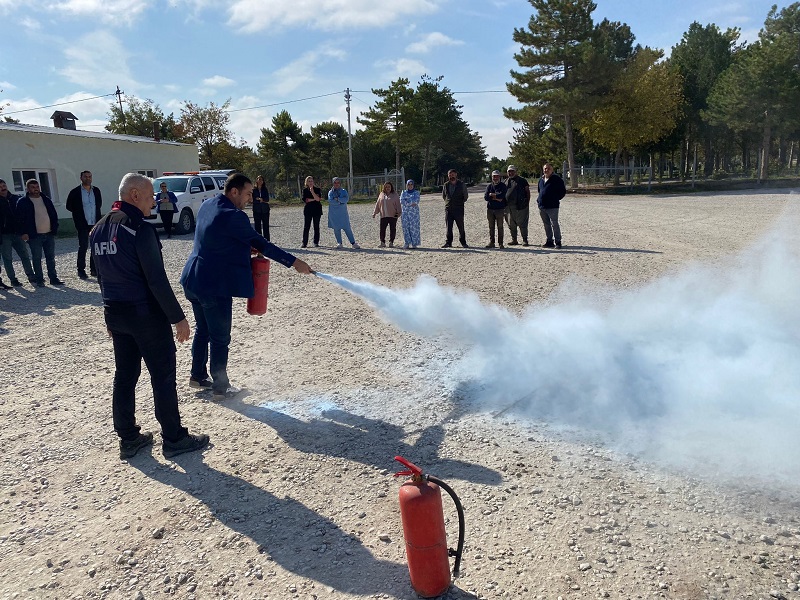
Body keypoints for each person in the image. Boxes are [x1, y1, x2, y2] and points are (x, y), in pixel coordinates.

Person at [90, 173, 208, 459]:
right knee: (162, 376)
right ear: (133, 195)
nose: (154, 199)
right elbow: (156, 279)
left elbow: (99, 275)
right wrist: (177, 317)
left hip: (116, 313)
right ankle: (174, 438)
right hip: (145, 315)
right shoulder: (138, 228)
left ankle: (128, 438)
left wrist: (109, 316)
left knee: (125, 375)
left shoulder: (98, 229)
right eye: (149, 194)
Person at [181, 173, 313, 400]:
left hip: (192, 279)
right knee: (221, 337)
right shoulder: (235, 215)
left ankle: (198, 376)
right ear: (234, 192)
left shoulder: (209, 204)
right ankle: (221, 388)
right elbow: (262, 243)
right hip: (214, 285)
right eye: (248, 193)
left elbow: (215, 237)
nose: (250, 198)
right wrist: (294, 262)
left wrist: (242, 248)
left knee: (204, 330)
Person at [17, 179, 64, 287]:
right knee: (37, 258)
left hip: (48, 233)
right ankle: (39, 279)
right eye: (33, 187)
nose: (36, 189)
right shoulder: (23, 202)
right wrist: (23, 233)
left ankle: (53, 278)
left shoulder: (46, 199)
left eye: (37, 187)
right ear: (28, 189)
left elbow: (53, 215)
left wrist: (54, 228)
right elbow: (19, 220)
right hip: (34, 236)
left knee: (50, 258)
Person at [66, 170, 102, 278]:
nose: (88, 178)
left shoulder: (96, 191)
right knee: (83, 247)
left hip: (95, 223)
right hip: (82, 224)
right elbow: (69, 206)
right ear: (81, 178)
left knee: (94, 247)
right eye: (85, 176)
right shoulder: (75, 192)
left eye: (90, 176)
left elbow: (98, 204)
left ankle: (94, 269)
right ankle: (81, 270)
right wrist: (78, 215)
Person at [0, 178, 35, 286]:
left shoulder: (15, 198)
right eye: (0, 187)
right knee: (7, 258)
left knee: (24, 255)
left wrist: (24, 230)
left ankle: (31, 276)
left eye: (4, 185)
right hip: (4, 235)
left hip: (18, 233)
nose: (3, 188)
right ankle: (13, 279)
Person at [537, 162, 567, 248]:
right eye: (545, 169)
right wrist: (539, 201)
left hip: (553, 206)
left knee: (555, 224)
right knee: (546, 224)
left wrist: (555, 199)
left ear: (552, 170)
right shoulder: (541, 180)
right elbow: (540, 191)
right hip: (542, 206)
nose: (546, 170)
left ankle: (558, 241)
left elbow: (562, 192)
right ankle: (549, 241)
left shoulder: (557, 179)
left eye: (548, 168)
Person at [326, 177, 360, 249]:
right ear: (333, 183)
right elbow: (331, 201)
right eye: (335, 183)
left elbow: (346, 199)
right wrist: (340, 202)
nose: (337, 184)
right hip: (334, 214)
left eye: (338, 182)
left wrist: (338, 199)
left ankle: (353, 243)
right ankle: (339, 243)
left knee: (347, 228)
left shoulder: (344, 191)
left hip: (343, 214)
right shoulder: (330, 192)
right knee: (336, 229)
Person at [441, 168, 469, 248]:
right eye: (450, 174)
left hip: (459, 209)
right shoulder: (446, 185)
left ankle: (463, 242)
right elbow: (444, 196)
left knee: (461, 226)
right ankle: (448, 242)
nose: (451, 176)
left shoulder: (462, 184)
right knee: (449, 227)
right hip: (448, 209)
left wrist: (459, 202)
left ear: (456, 175)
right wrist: (448, 202)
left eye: (453, 174)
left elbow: (465, 196)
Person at [504, 165, 530, 246]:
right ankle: (514, 240)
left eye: (512, 171)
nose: (511, 173)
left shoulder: (522, 180)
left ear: (516, 171)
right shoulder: (505, 182)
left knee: (523, 224)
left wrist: (526, 203)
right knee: (511, 224)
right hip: (508, 207)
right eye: (509, 171)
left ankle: (525, 240)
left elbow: (527, 192)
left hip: (521, 206)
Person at [372, 181, 401, 248]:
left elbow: (398, 205)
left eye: (389, 187)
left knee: (392, 229)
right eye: (386, 187)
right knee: (382, 229)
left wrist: (399, 213)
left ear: (391, 187)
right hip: (383, 215)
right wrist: (374, 213)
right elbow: (378, 204)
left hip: (393, 215)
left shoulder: (395, 195)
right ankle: (382, 242)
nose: (387, 188)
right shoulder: (381, 194)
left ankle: (391, 242)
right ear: (384, 188)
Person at [484, 170, 507, 248]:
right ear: (492, 177)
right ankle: (492, 242)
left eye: (497, 176)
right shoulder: (489, 186)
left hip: (500, 209)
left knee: (500, 227)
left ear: (499, 177)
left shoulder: (503, 186)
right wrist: (496, 197)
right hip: (490, 209)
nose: (495, 178)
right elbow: (486, 197)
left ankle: (501, 243)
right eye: (494, 176)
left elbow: (501, 196)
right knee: (491, 227)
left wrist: (492, 195)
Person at [301, 175, 323, 248]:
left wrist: (312, 192)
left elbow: (318, 199)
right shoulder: (304, 190)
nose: (310, 182)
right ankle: (304, 243)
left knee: (316, 226)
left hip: (317, 210)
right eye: (309, 181)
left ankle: (316, 242)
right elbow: (306, 200)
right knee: (306, 227)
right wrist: (313, 199)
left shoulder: (317, 189)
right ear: (306, 182)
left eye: (311, 181)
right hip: (308, 210)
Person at [399, 179, 421, 249]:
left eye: (411, 184)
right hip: (405, 213)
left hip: (414, 214)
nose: (410, 186)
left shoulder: (416, 193)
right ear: (406, 185)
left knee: (414, 228)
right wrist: (409, 203)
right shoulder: (403, 192)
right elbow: (401, 201)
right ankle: (407, 242)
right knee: (406, 227)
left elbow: (416, 201)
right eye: (408, 184)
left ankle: (414, 243)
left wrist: (407, 203)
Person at [252, 175, 271, 240]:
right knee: (257, 226)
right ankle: (259, 241)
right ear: (256, 180)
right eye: (259, 179)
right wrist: (257, 200)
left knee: (266, 226)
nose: (260, 181)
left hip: (265, 210)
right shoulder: (254, 190)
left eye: (261, 179)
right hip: (256, 210)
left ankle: (267, 241)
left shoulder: (265, 189)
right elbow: (252, 199)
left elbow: (267, 199)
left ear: (263, 181)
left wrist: (262, 199)